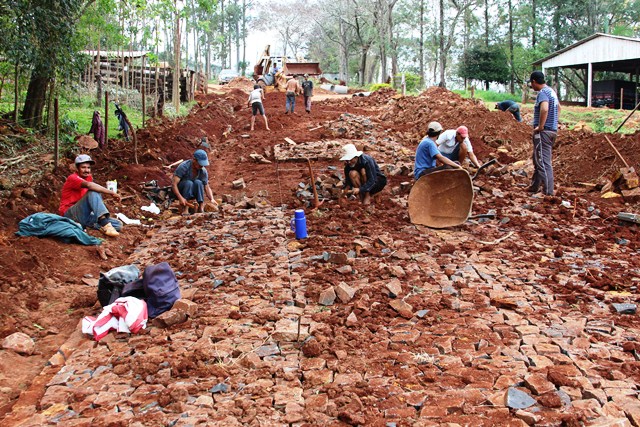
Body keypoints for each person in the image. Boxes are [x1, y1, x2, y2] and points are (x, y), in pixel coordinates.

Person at [58, 154, 122, 237]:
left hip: (83, 214)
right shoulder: (73, 178)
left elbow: (91, 200)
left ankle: (88, 226)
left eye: (88, 168)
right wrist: (111, 193)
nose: (86, 170)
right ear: (77, 168)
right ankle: (104, 224)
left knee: (118, 224)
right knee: (93, 192)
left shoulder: (88, 178)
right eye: (83, 167)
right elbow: (90, 186)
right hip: (69, 214)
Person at [529, 70, 560, 196]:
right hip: (552, 130)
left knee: (543, 161)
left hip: (544, 132)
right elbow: (559, 108)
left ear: (534, 81)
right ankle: (534, 186)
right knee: (537, 158)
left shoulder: (542, 93)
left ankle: (548, 192)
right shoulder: (552, 91)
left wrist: (541, 126)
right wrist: (554, 122)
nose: (532, 86)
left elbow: (545, 108)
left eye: (531, 83)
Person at [172, 149, 217, 215]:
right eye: (200, 164)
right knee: (189, 183)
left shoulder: (202, 171)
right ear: (194, 160)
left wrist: (212, 199)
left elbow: (206, 187)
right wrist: (180, 198)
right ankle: (185, 209)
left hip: (192, 192)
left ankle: (201, 207)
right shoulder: (184, 167)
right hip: (181, 191)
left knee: (198, 182)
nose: (201, 166)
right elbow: (174, 184)